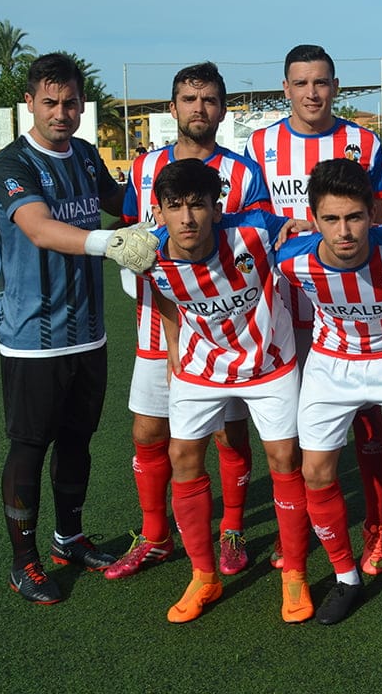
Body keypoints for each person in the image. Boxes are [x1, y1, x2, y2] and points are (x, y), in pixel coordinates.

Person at [0, 52, 158, 604]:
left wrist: (172, 204)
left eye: (70, 103)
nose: (61, 112)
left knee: (78, 441)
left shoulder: (85, 155)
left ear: (82, 105)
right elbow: (39, 229)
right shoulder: (11, 163)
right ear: (31, 103)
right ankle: (24, 560)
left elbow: (121, 203)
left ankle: (69, 538)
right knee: (29, 446)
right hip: (32, 338)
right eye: (50, 102)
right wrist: (112, 242)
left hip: (90, 331)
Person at [107, 62, 271, 581]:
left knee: (227, 435)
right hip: (158, 325)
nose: (199, 108)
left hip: (226, 333)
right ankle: (155, 536)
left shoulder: (244, 174)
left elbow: (255, 246)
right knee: (149, 431)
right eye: (188, 98)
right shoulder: (143, 168)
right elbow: (136, 239)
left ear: (223, 108)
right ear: (173, 106)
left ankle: (233, 528)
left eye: (209, 99)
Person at [275, 158, 382, 627]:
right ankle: (346, 577)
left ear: (373, 213)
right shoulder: (291, 258)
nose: (344, 230)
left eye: (354, 217)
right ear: (313, 220)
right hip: (333, 366)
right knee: (314, 472)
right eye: (331, 219)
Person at [245, 45, 382, 576]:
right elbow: (254, 216)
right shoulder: (260, 144)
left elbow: (379, 211)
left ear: (335, 86)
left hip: (351, 309)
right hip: (283, 308)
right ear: (285, 88)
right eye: (301, 83)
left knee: (368, 421)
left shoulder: (364, 141)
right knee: (298, 432)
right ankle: (302, 528)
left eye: (322, 82)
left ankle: (376, 528)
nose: (312, 92)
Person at [142, 158, 310, 624]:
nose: (187, 217)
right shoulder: (147, 252)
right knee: (183, 457)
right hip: (201, 367)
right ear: (160, 211)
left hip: (268, 362)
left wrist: (304, 226)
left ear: (217, 210)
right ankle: (203, 575)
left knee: (284, 458)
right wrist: (174, 343)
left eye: (198, 205)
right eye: (175, 206)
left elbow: (304, 231)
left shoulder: (254, 231)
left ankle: (294, 572)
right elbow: (162, 290)